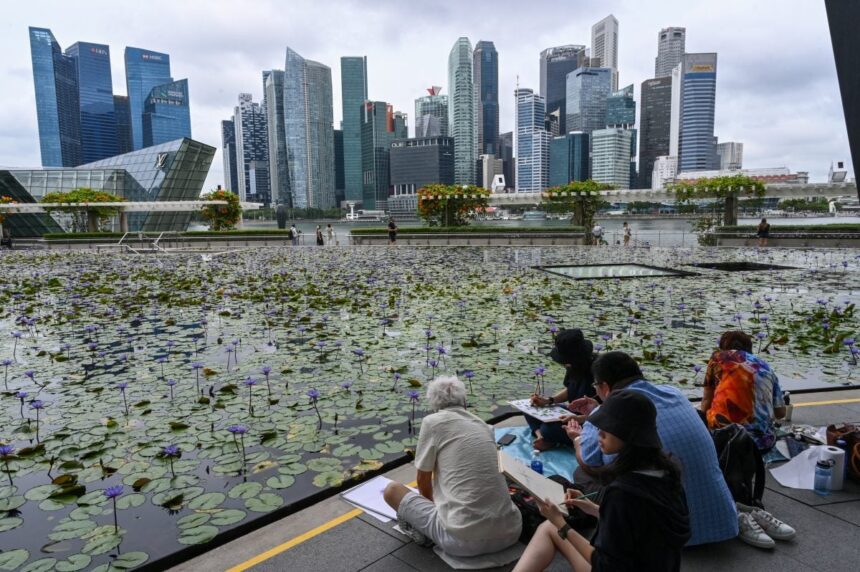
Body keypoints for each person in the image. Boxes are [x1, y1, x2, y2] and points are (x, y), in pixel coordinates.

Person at [566, 351, 738, 546]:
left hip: (666, 538)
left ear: (604, 386)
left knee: (582, 473)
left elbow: (589, 461)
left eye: (596, 386)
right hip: (722, 520)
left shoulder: (606, 412)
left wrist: (577, 437)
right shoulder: (675, 394)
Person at [514, 390, 691, 572]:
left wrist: (560, 522)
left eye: (606, 428)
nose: (599, 433)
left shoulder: (623, 492)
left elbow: (604, 565)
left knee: (550, 527)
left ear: (627, 434)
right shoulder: (669, 469)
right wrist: (592, 508)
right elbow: (640, 524)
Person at [383, 376, 521, 557]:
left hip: (461, 542)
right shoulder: (484, 426)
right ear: (464, 402)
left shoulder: (432, 422)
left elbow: (422, 478)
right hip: (511, 532)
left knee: (392, 490)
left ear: (434, 404)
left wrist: (431, 509)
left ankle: (428, 533)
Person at [701, 330, 786, 452]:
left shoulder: (718, 358)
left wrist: (700, 425)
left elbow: (707, 400)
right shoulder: (766, 367)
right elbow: (780, 413)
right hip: (762, 443)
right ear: (749, 348)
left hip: (724, 440)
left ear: (724, 348)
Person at [526, 329, 597, 450]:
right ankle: (541, 437)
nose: (565, 365)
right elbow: (570, 389)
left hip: (590, 421)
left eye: (567, 362)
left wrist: (580, 419)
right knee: (530, 408)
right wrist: (548, 400)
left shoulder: (598, 371)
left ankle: (547, 436)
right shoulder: (573, 367)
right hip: (572, 413)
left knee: (548, 429)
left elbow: (606, 413)